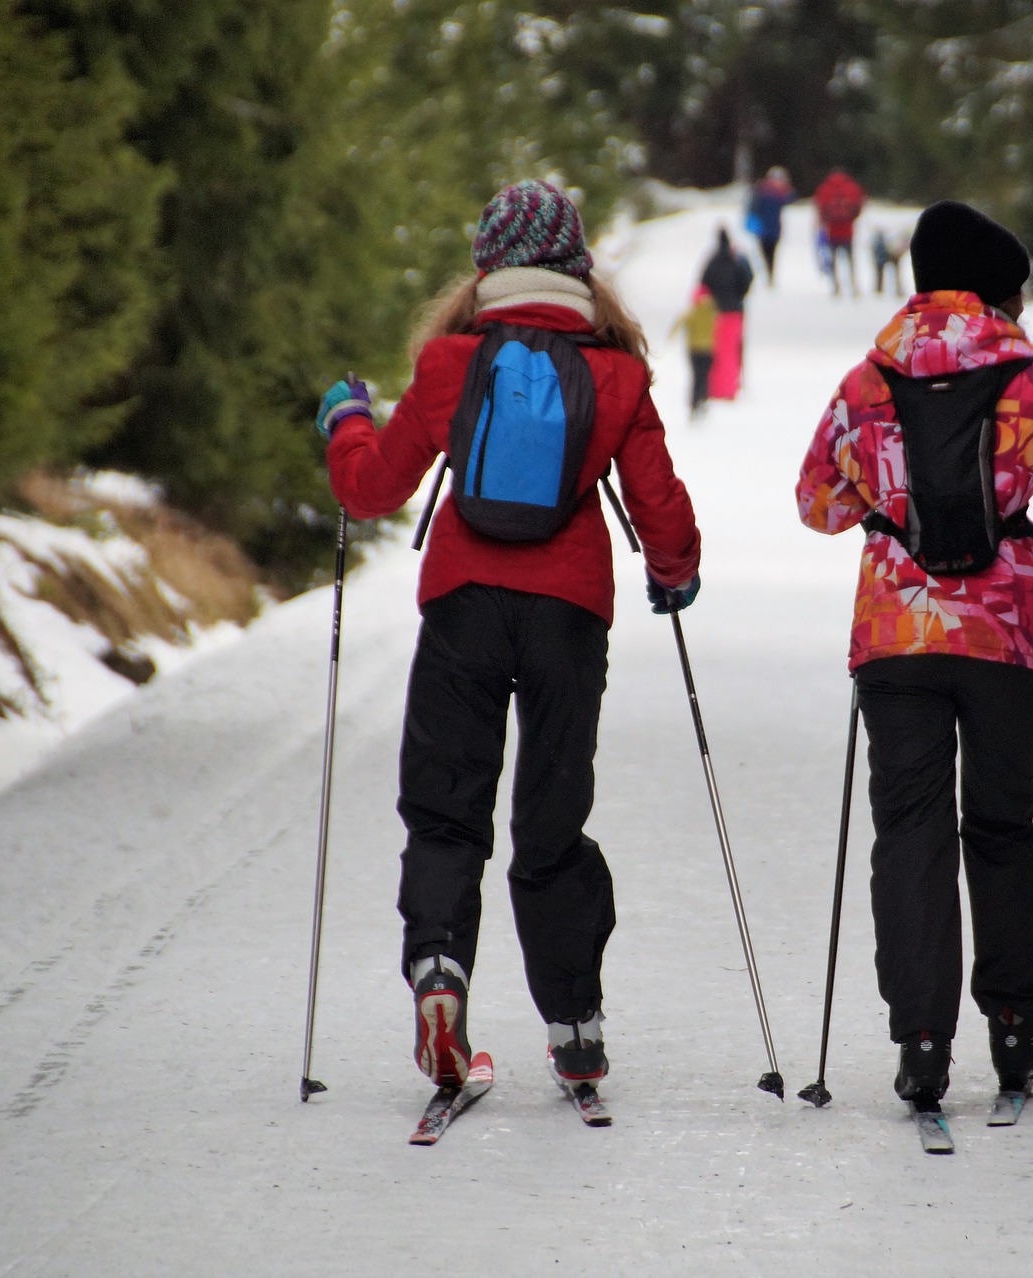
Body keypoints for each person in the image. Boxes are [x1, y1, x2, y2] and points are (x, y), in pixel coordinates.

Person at [319, 179, 702, 1104]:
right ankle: (574, 1024)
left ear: (489, 262)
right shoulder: (615, 371)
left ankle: (441, 974)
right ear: (576, 262)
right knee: (550, 819)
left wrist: (346, 424)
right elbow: (659, 505)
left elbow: (372, 489)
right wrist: (674, 572)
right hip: (570, 614)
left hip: (463, 602)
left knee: (447, 810)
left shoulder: (456, 360)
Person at [793, 200, 1033, 1108]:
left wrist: (882, 502)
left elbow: (815, 503)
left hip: (896, 636)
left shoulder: (869, 378)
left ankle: (922, 1041)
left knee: (910, 831)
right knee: (1003, 825)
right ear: (998, 291)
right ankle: (1015, 1028)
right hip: (1004, 634)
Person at [697, 228, 754, 400]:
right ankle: (731, 387)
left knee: (717, 351)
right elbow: (748, 279)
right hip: (735, 311)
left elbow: (703, 283)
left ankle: (715, 388)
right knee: (733, 350)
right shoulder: (738, 259)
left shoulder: (712, 260)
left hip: (716, 313)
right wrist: (739, 297)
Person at [812, 167, 865, 297]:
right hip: (848, 230)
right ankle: (853, 285)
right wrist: (853, 219)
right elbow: (859, 205)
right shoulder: (852, 186)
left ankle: (836, 286)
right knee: (850, 260)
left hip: (832, 230)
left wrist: (822, 222)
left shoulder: (824, 187)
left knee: (833, 260)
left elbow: (820, 206)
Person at [668, 284, 718, 418]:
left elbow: (679, 322)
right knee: (702, 376)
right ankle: (701, 401)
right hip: (705, 349)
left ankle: (697, 402)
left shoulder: (694, 311)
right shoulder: (711, 311)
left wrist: (671, 335)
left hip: (696, 350)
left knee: (698, 376)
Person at [745, 166, 795, 285]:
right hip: (770, 227)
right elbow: (791, 198)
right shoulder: (777, 192)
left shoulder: (762, 190)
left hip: (766, 227)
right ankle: (769, 273)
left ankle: (769, 272)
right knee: (770, 252)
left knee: (767, 252)